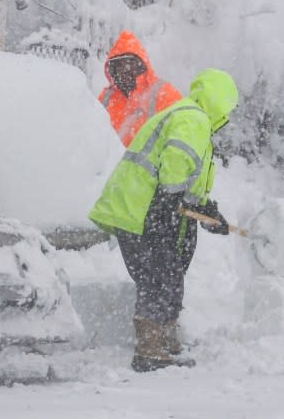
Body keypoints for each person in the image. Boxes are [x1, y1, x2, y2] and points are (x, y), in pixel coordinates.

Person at [88, 68, 239, 371]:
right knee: (159, 275)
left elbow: (187, 181)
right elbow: (175, 163)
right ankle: (150, 348)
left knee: (167, 272)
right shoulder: (193, 118)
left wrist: (208, 212)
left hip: (144, 206)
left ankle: (164, 340)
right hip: (143, 208)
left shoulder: (190, 117)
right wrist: (171, 200)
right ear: (221, 102)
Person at [99, 31, 182, 147]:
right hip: (111, 164)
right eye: (120, 66)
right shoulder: (105, 98)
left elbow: (182, 131)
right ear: (113, 69)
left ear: (140, 64)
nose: (125, 70)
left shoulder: (163, 93)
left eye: (129, 64)